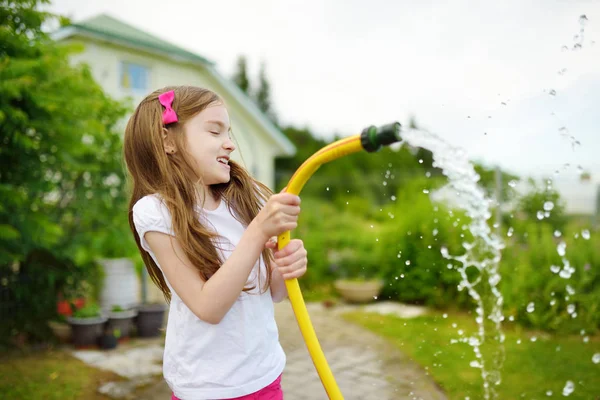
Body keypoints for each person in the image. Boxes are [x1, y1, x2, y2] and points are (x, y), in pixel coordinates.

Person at [123, 86, 307, 400]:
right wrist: (258, 233)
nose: (229, 144)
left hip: (264, 376)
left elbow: (274, 293)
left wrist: (285, 265)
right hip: (208, 389)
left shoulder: (244, 201)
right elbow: (208, 306)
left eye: (229, 133)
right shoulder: (155, 213)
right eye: (214, 131)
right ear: (168, 141)